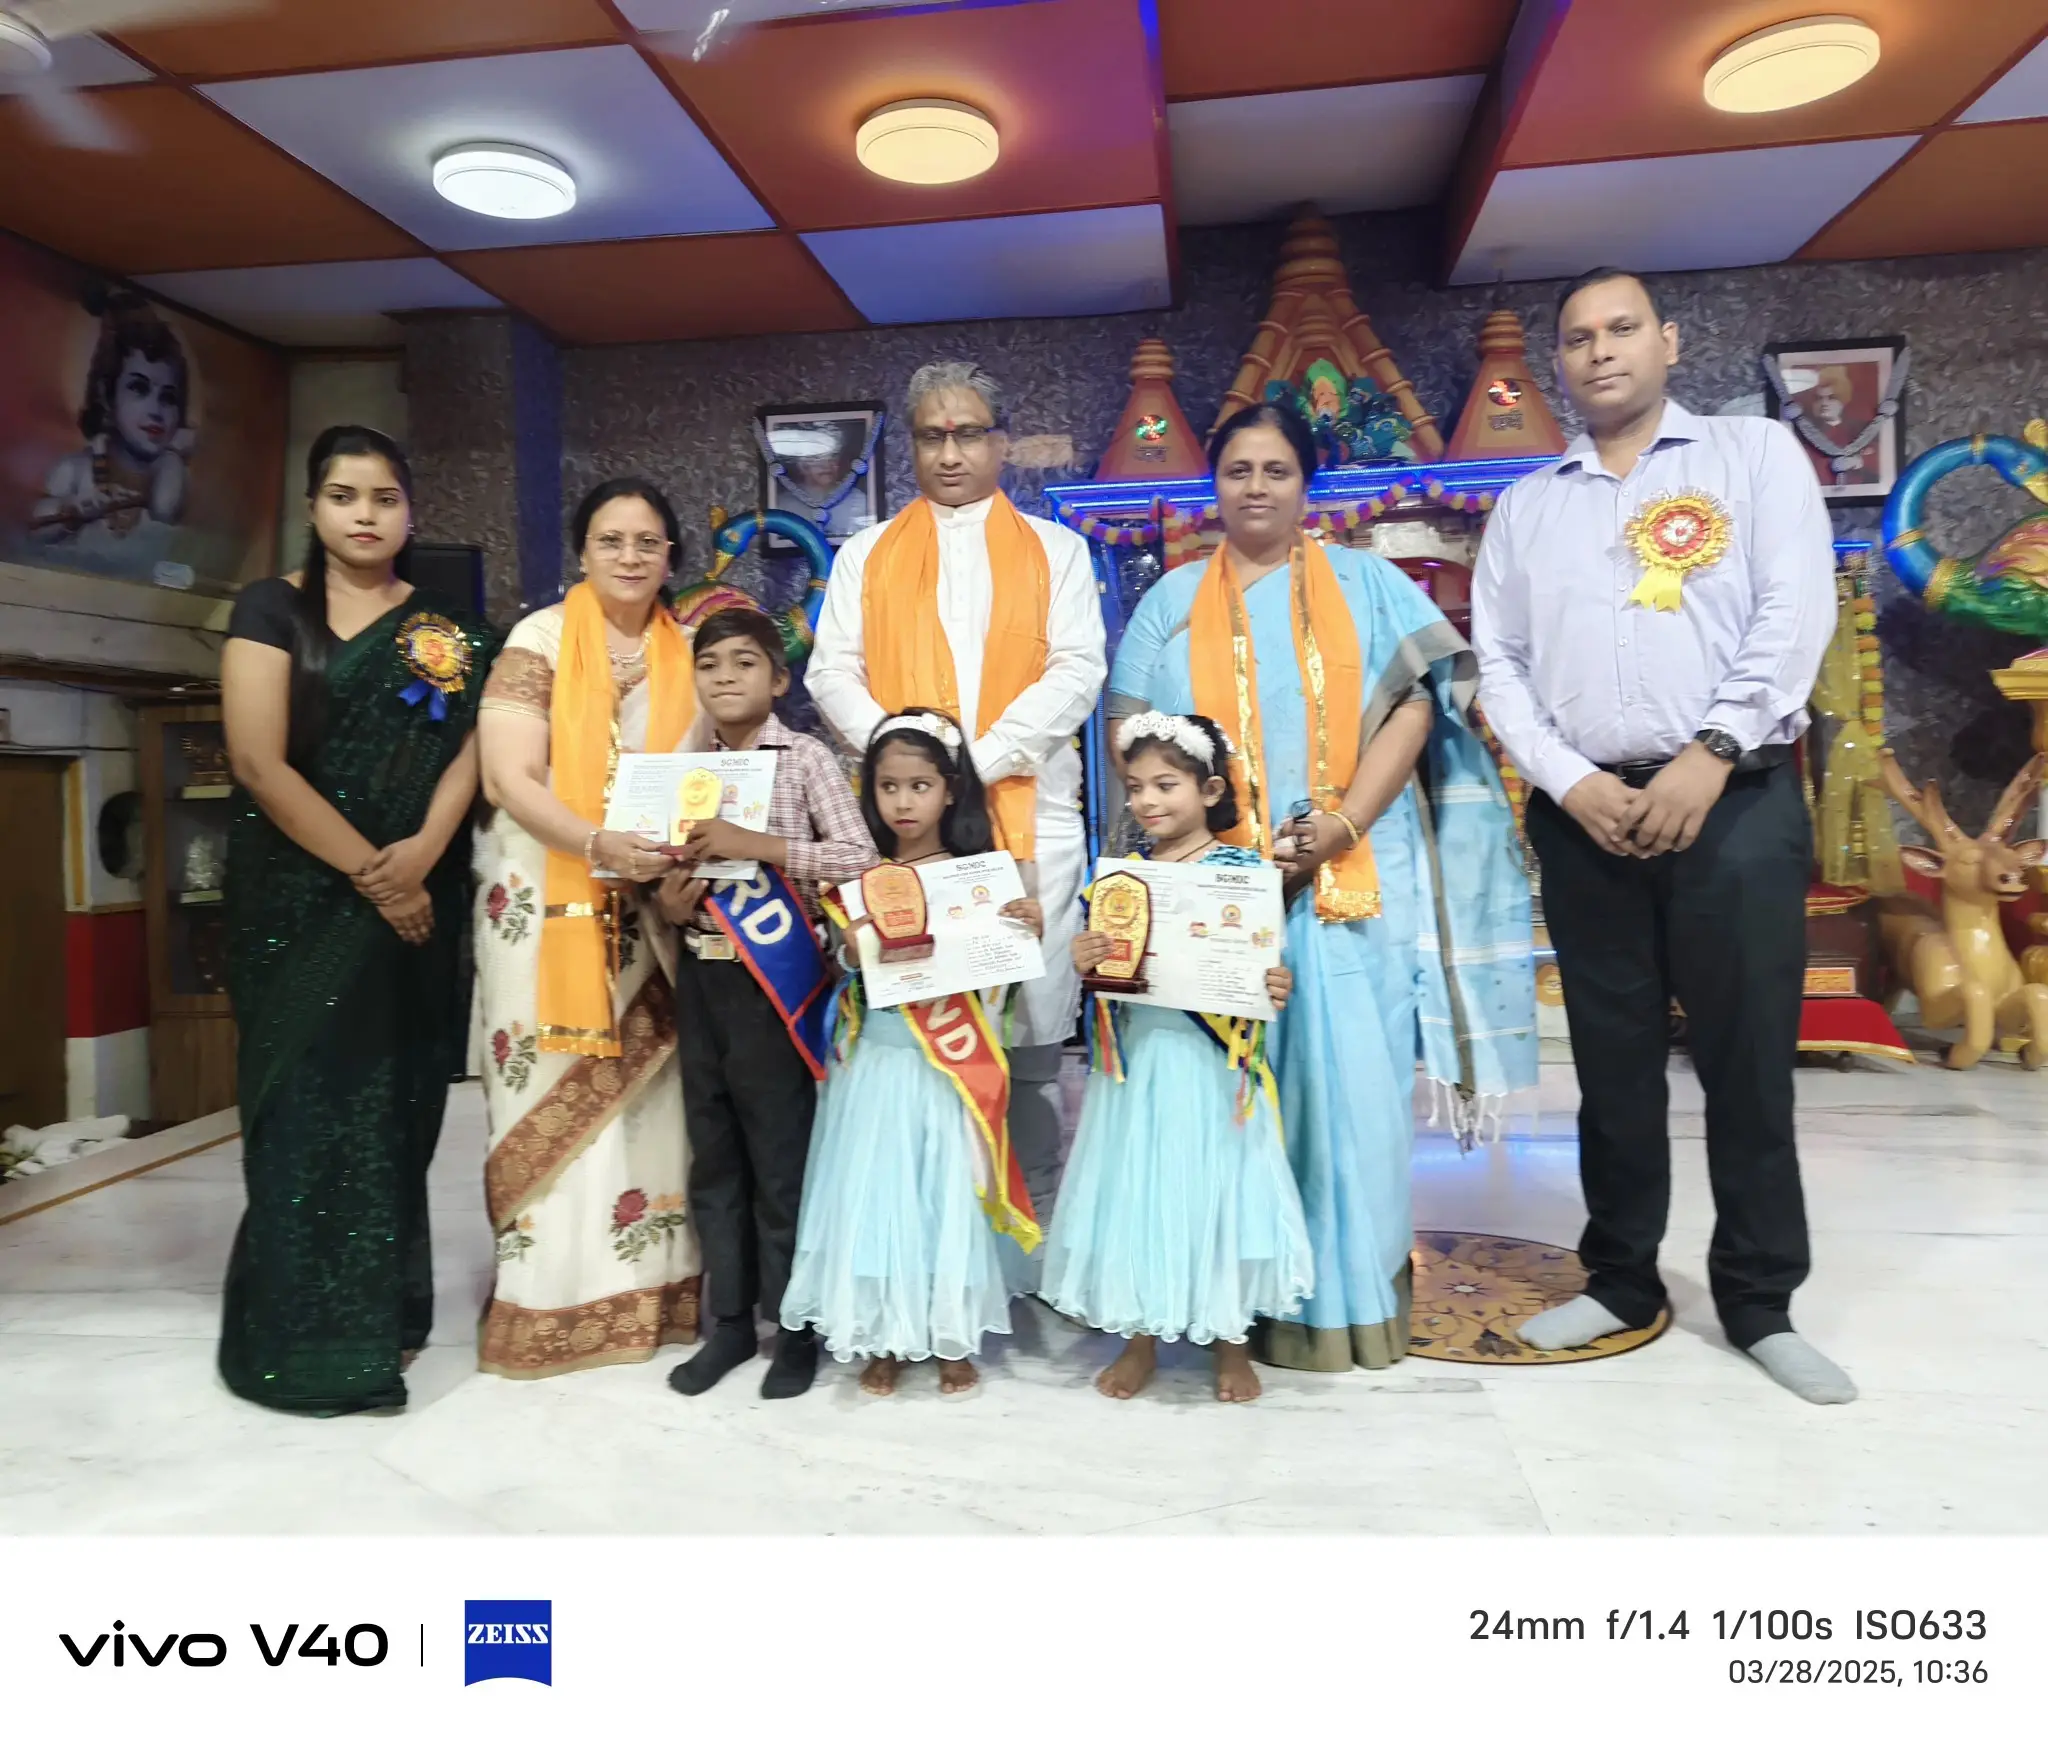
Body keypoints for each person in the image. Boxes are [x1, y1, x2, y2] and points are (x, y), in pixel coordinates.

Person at [1470, 266, 1852, 1404]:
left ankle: (1760, 1302)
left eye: (1621, 328)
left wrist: (1712, 750)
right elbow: (1499, 663)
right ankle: (1620, 1279)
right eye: (1578, 337)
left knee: (1746, 1062)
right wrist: (1570, 780)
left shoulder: (1751, 457)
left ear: (1669, 341)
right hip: (1585, 815)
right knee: (1611, 1063)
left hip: (1731, 800)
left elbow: (1795, 609)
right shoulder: (1528, 505)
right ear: (1559, 362)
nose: (1600, 351)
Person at [1109, 402, 1535, 1373]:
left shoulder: (1367, 584)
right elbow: (1130, 749)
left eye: (1277, 471)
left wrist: (1341, 824)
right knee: (1220, 1103)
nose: (1256, 488)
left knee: (1350, 1102)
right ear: (1213, 486)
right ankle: (1226, 1311)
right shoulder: (1168, 602)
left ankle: (1343, 1309)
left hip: (1348, 884)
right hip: (1210, 902)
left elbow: (1416, 712)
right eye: (1238, 471)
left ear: (1307, 486)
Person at [218, 425, 494, 1413]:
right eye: (344, 496)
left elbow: (476, 747)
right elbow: (258, 763)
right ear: (312, 508)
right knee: (305, 1113)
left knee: (396, 1112)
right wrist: (377, 876)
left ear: (410, 511)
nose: (365, 515)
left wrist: (421, 854)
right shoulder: (269, 609)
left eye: (384, 497)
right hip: (297, 903)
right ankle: (301, 1343)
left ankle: (387, 1314)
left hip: (417, 907)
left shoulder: (452, 630)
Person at [808, 362, 1107, 1259]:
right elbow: (831, 671)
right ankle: (935, 1245)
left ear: (1001, 441)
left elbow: (1079, 669)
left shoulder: (1057, 551)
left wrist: (969, 762)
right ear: (912, 445)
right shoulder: (867, 554)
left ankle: (1025, 1245)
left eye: (969, 433)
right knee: (915, 1033)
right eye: (933, 436)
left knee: (1031, 1040)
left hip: (1028, 822)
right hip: (910, 834)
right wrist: (911, 761)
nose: (951, 452)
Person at [473, 478, 701, 1379]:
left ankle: (651, 1295)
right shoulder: (538, 640)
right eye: (612, 540)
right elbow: (508, 778)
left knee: (654, 1103)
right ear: (582, 551)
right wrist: (597, 842)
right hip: (547, 889)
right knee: (547, 1078)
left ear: (671, 556)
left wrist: (670, 865)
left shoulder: (692, 650)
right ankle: (547, 1302)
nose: (630, 557)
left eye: (648, 542)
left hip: (655, 905)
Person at [1044, 711, 1310, 1403]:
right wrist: (1087, 958)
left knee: (1219, 1193)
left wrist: (1274, 983)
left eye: (1166, 785)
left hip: (1212, 1067)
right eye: (1135, 788)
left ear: (1210, 790)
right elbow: (1108, 978)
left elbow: (1264, 967)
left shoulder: (1241, 875)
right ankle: (1140, 1340)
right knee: (1139, 1192)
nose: (1147, 801)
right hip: (1139, 1066)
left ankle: (1231, 1342)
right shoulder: (1123, 878)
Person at [781, 709, 1045, 1396]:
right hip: (880, 1059)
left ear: (950, 791)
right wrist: (852, 948)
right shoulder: (861, 876)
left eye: (920, 786)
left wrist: (1023, 932)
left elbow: (999, 983)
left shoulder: (980, 878)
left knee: (946, 1196)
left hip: (947, 1070)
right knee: (881, 1197)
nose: (903, 802)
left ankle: (950, 1331)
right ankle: (884, 1335)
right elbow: (841, 970)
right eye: (889, 787)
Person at [656, 605, 877, 1401]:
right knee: (714, 1156)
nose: (725, 678)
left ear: (779, 679)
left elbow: (860, 857)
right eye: (709, 664)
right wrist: (668, 904)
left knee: (781, 1163)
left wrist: (761, 847)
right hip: (702, 979)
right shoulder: (683, 768)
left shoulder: (806, 758)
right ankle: (730, 1323)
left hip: (775, 985)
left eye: (744, 663)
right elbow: (661, 868)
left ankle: (795, 1326)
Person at [33, 292, 191, 564]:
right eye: (138, 388)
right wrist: (74, 508)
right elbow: (36, 528)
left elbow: (165, 509)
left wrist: (173, 456)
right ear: (107, 394)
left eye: (168, 398)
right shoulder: (75, 468)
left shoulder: (170, 472)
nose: (156, 411)